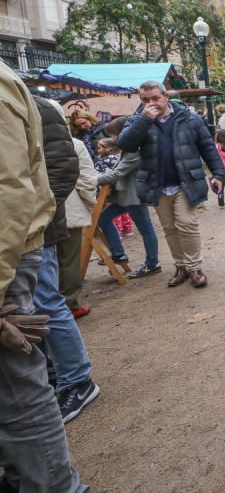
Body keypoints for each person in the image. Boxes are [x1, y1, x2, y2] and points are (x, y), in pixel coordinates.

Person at [0, 61, 88, 492]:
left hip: (22, 243)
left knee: (45, 312)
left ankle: (77, 379)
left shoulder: (23, 99)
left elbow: (23, 184)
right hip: (23, 238)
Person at [115, 80, 225, 289]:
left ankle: (194, 267)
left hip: (186, 183)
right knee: (169, 227)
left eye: (156, 98)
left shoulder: (189, 118)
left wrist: (218, 174)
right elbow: (124, 144)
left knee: (186, 223)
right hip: (157, 184)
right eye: (146, 100)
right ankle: (181, 266)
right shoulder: (138, 120)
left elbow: (208, 147)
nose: (152, 103)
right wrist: (144, 120)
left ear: (166, 96)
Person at [32, 96, 101, 423]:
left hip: (35, 226)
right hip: (19, 228)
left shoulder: (37, 108)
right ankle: (50, 375)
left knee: (48, 299)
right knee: (28, 306)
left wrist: (36, 217)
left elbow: (64, 169)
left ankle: (76, 378)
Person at [95, 118, 161, 280]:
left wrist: (91, 179)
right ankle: (118, 253)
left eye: (115, 134)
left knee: (146, 230)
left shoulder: (133, 151)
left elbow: (117, 173)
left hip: (133, 197)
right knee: (103, 219)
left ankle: (152, 264)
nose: (114, 138)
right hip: (124, 196)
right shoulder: (127, 149)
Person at [60, 135, 97, 318]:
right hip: (68, 210)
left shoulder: (23, 138)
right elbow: (87, 179)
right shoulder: (73, 144)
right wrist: (91, 204)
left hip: (34, 214)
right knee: (69, 260)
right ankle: (69, 304)